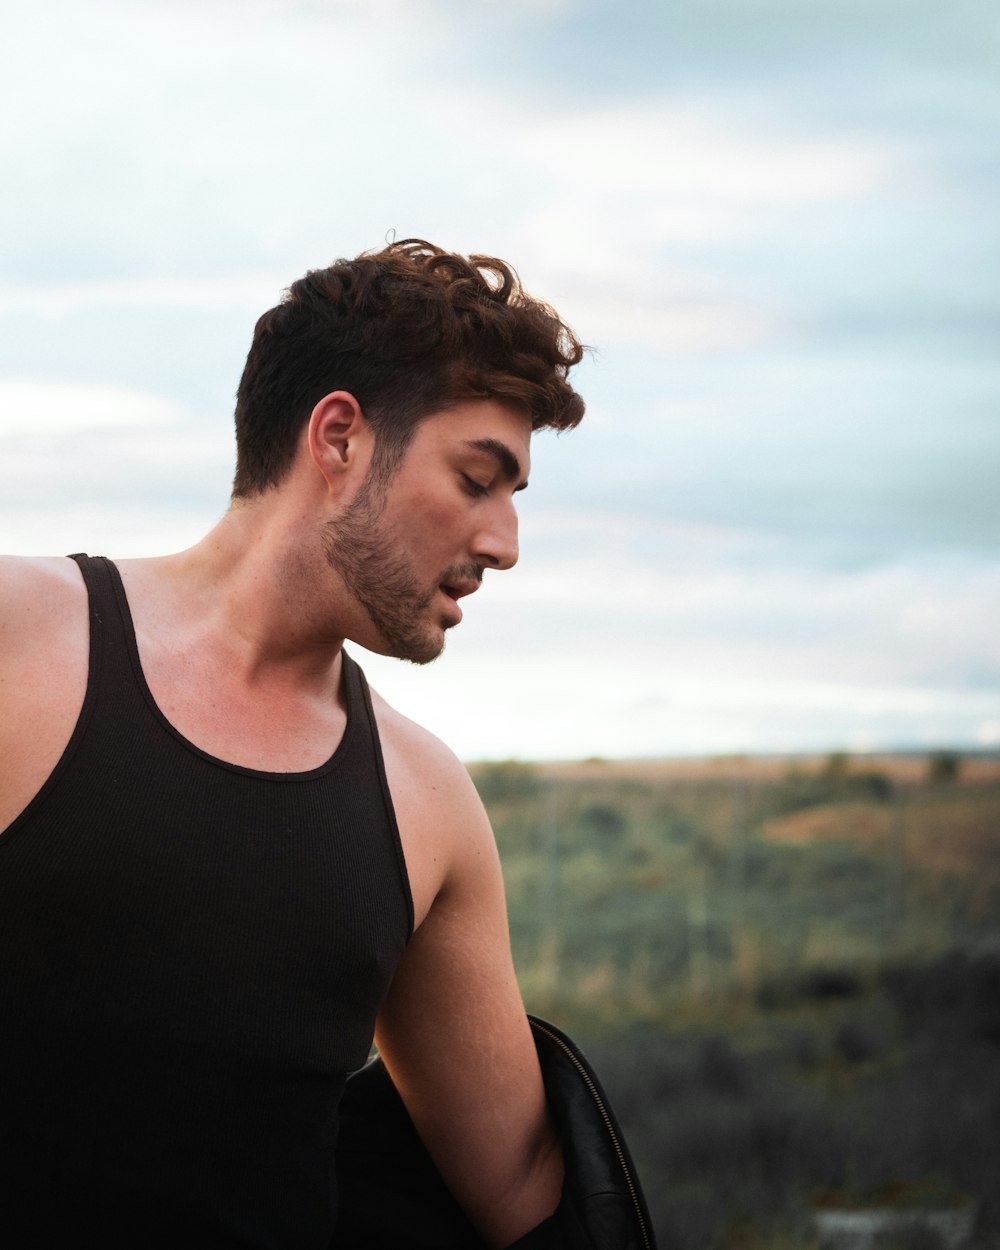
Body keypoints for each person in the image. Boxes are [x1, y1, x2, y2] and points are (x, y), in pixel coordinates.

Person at [0, 240, 585, 1249]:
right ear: (340, 437)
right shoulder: (21, 641)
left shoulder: (425, 801)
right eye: (478, 478)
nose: (504, 542)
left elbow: (525, 1186)